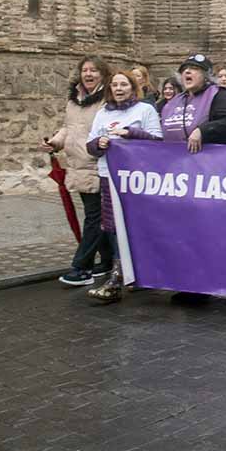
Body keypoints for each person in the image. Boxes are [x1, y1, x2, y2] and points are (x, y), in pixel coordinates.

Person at [91, 54, 226, 305]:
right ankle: (188, 283)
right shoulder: (174, 101)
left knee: (205, 232)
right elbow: (158, 137)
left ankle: (205, 285)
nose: (188, 73)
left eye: (195, 69)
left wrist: (203, 130)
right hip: (179, 178)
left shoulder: (219, 95)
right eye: (185, 69)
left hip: (209, 174)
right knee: (185, 231)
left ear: (206, 75)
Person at [80, 71, 163, 303]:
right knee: (114, 227)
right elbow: (90, 144)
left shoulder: (144, 110)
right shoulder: (102, 113)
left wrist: (131, 134)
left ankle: (141, 272)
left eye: (124, 84)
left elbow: (158, 141)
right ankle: (118, 277)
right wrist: (99, 143)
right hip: (110, 176)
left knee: (138, 225)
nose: (118, 88)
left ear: (133, 87)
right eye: (115, 84)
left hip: (137, 178)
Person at [41, 56, 111, 287]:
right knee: (96, 217)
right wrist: (55, 142)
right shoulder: (74, 100)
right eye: (85, 70)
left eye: (93, 70)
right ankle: (108, 260)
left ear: (103, 74)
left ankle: (82, 268)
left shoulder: (106, 100)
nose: (88, 74)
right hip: (77, 165)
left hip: (97, 164)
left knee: (94, 218)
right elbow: (68, 128)